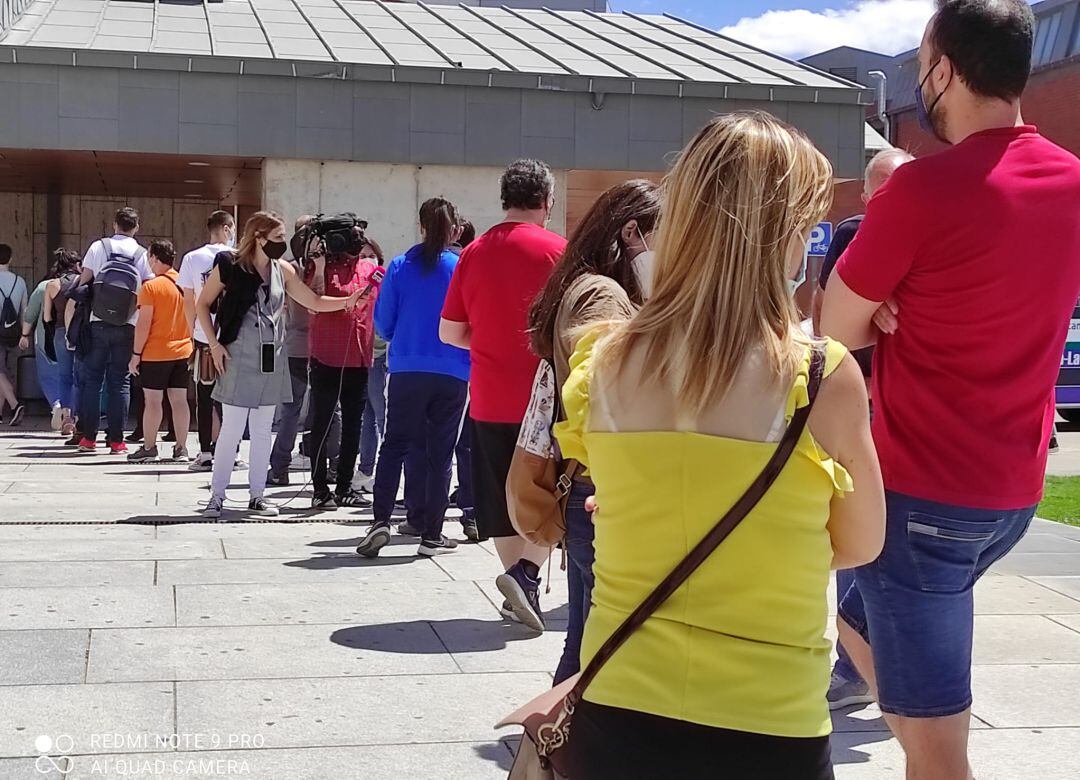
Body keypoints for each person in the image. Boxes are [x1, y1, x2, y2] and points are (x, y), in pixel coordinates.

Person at [554, 111, 884, 778]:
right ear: (784, 236)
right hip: (769, 716)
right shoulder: (822, 376)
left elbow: (617, 495)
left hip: (618, 702)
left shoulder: (603, 362)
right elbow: (861, 543)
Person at [821, 3, 1080, 778]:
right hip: (1011, 493)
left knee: (937, 757)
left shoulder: (919, 191)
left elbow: (835, 331)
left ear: (943, 73)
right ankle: (898, 693)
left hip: (922, 500)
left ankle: (911, 711)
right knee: (851, 615)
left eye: (920, 69)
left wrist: (889, 311)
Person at [526, 178, 658, 682]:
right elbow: (612, 388)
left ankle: (555, 747)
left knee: (584, 644)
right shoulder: (602, 294)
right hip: (598, 487)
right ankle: (560, 747)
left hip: (588, 486)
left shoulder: (586, 285)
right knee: (597, 653)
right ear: (631, 234)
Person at [440, 159, 566, 630]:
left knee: (500, 499)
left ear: (504, 199)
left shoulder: (473, 252)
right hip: (546, 398)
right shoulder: (562, 252)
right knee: (552, 490)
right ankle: (526, 576)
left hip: (489, 395)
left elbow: (449, 331)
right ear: (547, 202)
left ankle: (517, 582)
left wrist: (492, 339)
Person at [811, 147, 913, 711]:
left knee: (881, 538)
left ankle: (864, 663)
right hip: (858, 401)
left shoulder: (921, 233)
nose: (888, 204)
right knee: (857, 528)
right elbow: (829, 312)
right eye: (881, 193)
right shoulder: (854, 234)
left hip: (903, 408)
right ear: (868, 195)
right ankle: (855, 665)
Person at [195, 211, 365, 520]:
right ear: (258, 237)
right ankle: (217, 496)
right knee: (232, 427)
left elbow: (312, 301)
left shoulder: (282, 270)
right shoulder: (230, 264)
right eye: (277, 238)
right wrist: (214, 344)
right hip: (236, 353)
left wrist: (347, 301)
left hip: (271, 355)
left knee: (262, 430)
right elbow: (202, 304)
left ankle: (257, 495)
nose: (282, 244)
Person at [356, 198, 470, 558]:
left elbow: (384, 324)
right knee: (441, 453)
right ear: (454, 229)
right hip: (452, 370)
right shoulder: (460, 267)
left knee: (394, 445)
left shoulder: (400, 266)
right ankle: (431, 535)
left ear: (420, 226)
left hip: (406, 368)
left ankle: (380, 522)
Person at [303, 225, 383, 510]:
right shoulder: (321, 268)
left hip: (359, 359)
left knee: (354, 426)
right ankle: (320, 488)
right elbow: (312, 303)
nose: (355, 243)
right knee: (322, 423)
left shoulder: (370, 269)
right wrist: (322, 263)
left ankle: (345, 486)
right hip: (326, 359)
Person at [268, 216, 340, 487]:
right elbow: (314, 304)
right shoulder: (294, 270)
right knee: (301, 408)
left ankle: (284, 467)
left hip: (309, 347)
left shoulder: (293, 268)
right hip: (301, 346)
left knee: (319, 409)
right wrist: (320, 270)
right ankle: (283, 466)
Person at [76, 207, 153, 453]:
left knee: (92, 381)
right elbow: (148, 288)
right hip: (127, 323)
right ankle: (117, 441)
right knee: (120, 382)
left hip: (97, 321)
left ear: (114, 224)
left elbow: (84, 281)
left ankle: (88, 438)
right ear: (136, 227)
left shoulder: (99, 247)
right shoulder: (142, 254)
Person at [179, 210, 236, 472]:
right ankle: (231, 452)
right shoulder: (237, 257)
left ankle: (204, 452)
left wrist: (192, 330)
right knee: (231, 398)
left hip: (204, 336)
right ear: (227, 228)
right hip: (233, 336)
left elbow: (189, 300)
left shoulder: (192, 258)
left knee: (205, 396)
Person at [126, 241, 193, 463]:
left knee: (153, 401)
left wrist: (136, 354)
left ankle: (149, 446)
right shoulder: (186, 284)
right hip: (183, 350)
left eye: (149, 258)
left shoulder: (151, 287)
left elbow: (144, 324)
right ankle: (181, 448)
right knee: (180, 400)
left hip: (156, 353)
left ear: (155, 258)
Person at [41, 249, 82, 436]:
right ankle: (81, 416)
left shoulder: (51, 285)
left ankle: (67, 417)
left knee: (65, 377)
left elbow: (47, 316)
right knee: (82, 377)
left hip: (60, 332)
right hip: (82, 333)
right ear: (75, 264)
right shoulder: (83, 282)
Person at [0, 243, 28, 426]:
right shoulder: (20, 282)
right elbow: (24, 311)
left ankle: (15, 404)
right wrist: (25, 335)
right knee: (4, 373)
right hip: (14, 332)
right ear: (10, 259)